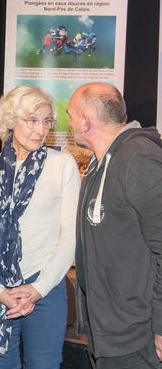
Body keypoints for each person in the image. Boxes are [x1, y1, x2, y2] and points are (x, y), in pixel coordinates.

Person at [0, 85, 80, 369]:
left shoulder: (62, 164)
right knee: (0, 365)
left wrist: (37, 289)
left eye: (46, 121)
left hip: (45, 287)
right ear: (10, 120)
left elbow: (70, 237)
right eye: (32, 120)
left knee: (45, 365)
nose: (40, 129)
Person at [67, 82, 162, 368]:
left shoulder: (139, 158)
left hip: (138, 335)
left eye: (70, 114)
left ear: (86, 121)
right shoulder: (100, 162)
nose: (68, 121)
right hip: (109, 330)